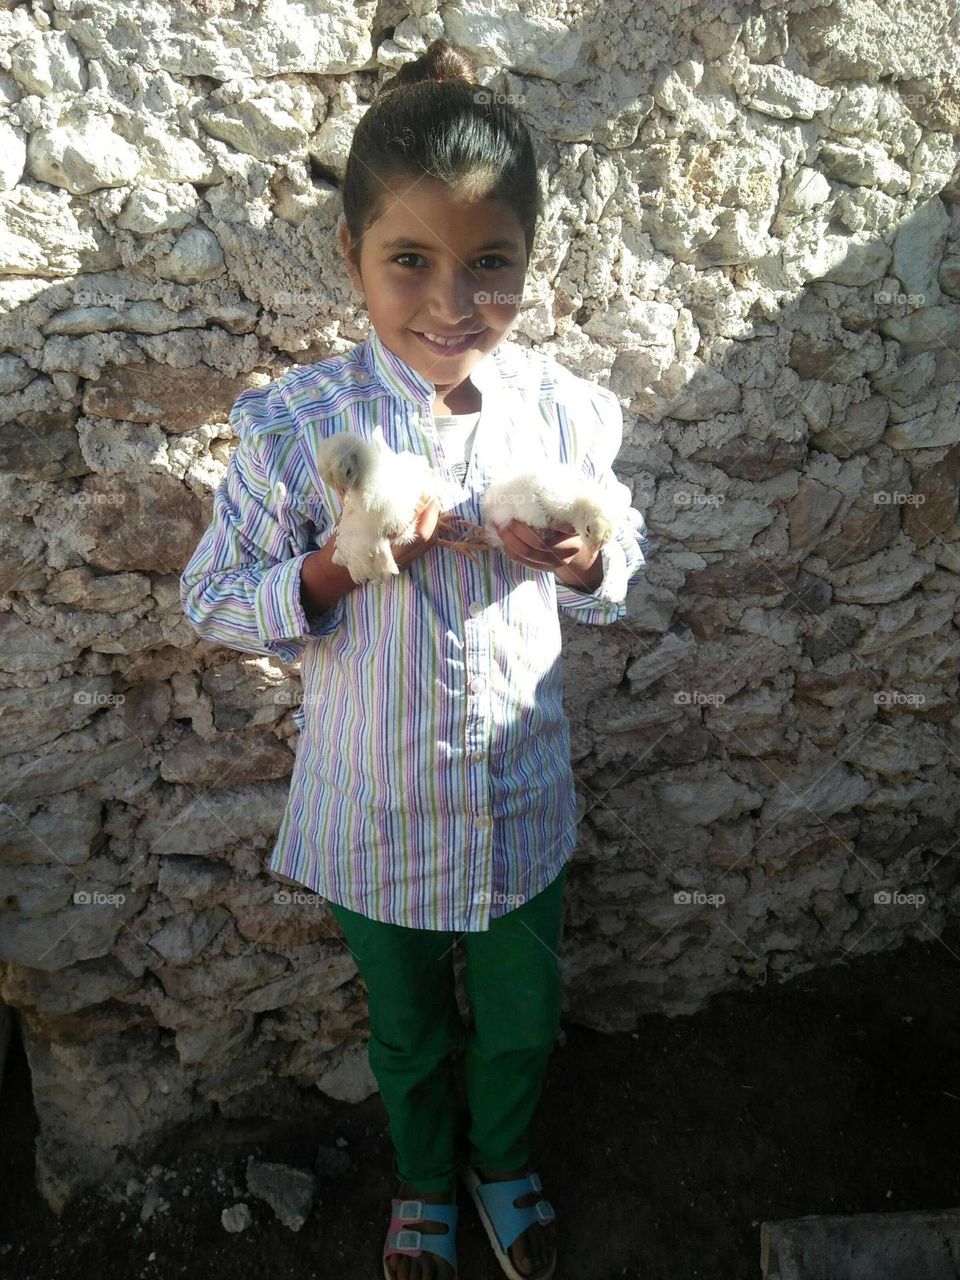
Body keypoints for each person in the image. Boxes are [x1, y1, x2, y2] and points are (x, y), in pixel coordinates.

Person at [180, 36, 649, 1280]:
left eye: (490, 263)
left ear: (528, 260)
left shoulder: (561, 410)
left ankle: (502, 1159)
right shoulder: (299, 427)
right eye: (410, 261)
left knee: (521, 1019)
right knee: (406, 1029)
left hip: (516, 802)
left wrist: (579, 555)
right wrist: (337, 565)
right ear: (353, 257)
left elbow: (624, 552)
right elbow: (211, 595)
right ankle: (426, 1177)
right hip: (373, 809)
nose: (452, 303)